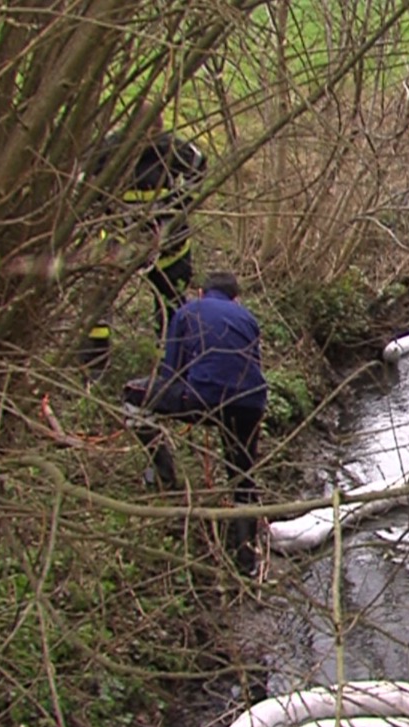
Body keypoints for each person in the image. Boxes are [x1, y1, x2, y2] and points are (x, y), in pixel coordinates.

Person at [122, 271, 268, 574]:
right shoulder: (248, 318)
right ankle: (247, 563)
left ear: (201, 292)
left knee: (133, 394)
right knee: (242, 477)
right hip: (251, 402)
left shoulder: (187, 312)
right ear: (236, 297)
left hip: (204, 399)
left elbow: (171, 373)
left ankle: (163, 474)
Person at [80, 129, 209, 367]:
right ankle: (94, 366)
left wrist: (179, 203)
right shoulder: (110, 151)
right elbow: (81, 179)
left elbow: (199, 163)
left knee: (170, 305)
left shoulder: (168, 148)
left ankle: (167, 368)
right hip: (123, 244)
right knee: (99, 302)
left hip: (164, 247)